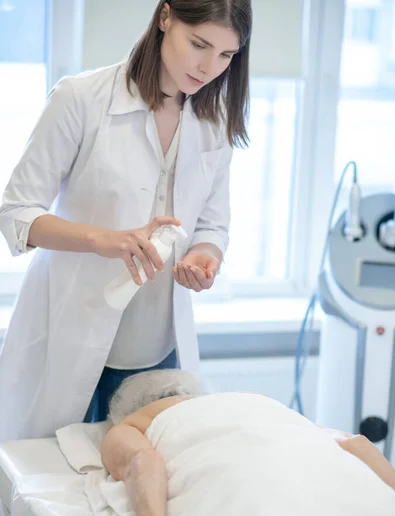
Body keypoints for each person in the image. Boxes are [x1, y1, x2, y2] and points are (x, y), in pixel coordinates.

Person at [0, 0, 253, 441]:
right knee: (50, 483)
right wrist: (105, 240)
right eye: (200, 44)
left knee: (136, 485)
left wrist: (204, 257)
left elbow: (213, 225)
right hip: (69, 336)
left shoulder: (213, 121)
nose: (209, 67)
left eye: (227, 55)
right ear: (165, 16)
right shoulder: (80, 99)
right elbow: (17, 213)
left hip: (156, 348)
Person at [101, 369, 395, 516]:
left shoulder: (130, 424)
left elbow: (142, 462)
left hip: (251, 513)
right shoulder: (260, 400)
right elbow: (355, 443)